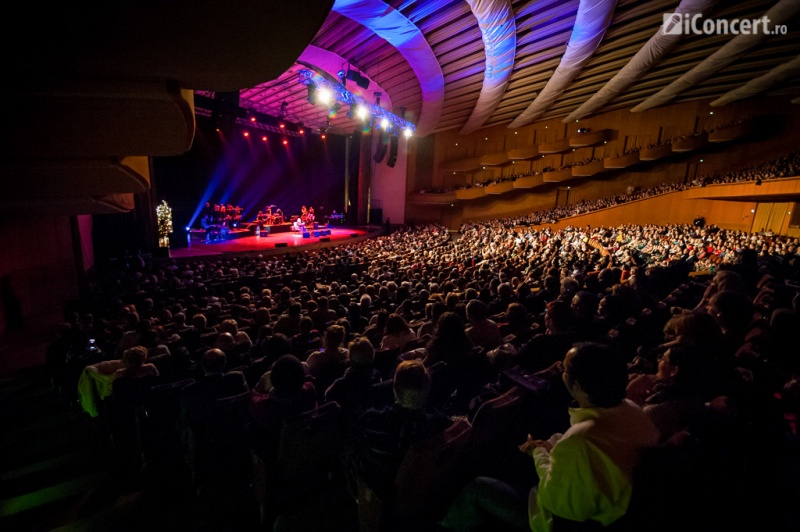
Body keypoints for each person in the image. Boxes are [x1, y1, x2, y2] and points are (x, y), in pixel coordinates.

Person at [441, 341, 659, 532]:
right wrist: (552, 443)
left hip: (561, 520)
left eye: (564, 369)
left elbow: (552, 499)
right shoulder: (632, 410)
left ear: (576, 385)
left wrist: (538, 451)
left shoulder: (581, 439)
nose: (560, 371)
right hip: (607, 501)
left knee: (477, 487)